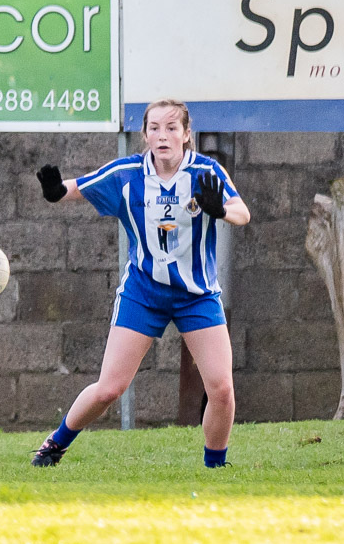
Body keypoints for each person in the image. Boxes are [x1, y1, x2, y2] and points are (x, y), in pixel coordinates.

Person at [31, 98, 250, 468]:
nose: (162, 136)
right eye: (154, 128)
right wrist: (55, 191)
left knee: (222, 389)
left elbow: (242, 214)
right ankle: (54, 445)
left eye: (171, 128)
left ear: (186, 134)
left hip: (196, 296)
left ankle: (215, 466)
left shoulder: (206, 171)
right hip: (143, 293)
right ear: (145, 134)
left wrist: (220, 210)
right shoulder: (127, 174)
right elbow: (79, 187)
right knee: (109, 389)